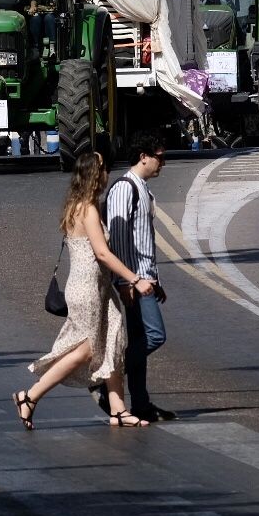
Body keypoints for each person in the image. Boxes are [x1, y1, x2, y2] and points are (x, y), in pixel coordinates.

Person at [14, 152, 148, 429]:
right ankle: (30, 397)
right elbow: (101, 252)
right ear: (94, 175)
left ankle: (118, 409)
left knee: (113, 340)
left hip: (99, 288)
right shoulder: (86, 208)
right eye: (103, 170)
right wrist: (134, 279)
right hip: (87, 289)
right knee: (86, 351)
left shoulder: (81, 204)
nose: (106, 175)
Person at [103, 133, 176, 424]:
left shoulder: (142, 189)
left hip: (142, 278)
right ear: (143, 156)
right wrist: (128, 282)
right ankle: (109, 377)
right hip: (132, 280)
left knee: (139, 339)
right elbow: (119, 240)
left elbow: (142, 241)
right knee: (154, 335)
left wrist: (154, 279)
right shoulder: (125, 188)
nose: (163, 163)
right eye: (160, 157)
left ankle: (140, 403)